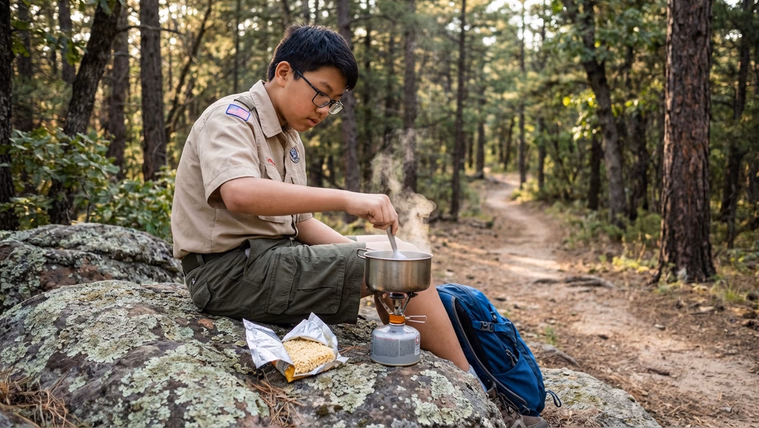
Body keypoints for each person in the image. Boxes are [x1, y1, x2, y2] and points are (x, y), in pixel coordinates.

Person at [170, 24, 547, 428]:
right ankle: (476, 394)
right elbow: (239, 194)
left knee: (395, 257)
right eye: (320, 94)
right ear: (283, 73)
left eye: (333, 103)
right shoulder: (231, 118)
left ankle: (448, 373)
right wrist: (349, 201)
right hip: (230, 273)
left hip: (270, 260)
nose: (323, 110)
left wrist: (371, 256)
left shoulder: (289, 139)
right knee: (382, 265)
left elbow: (302, 224)